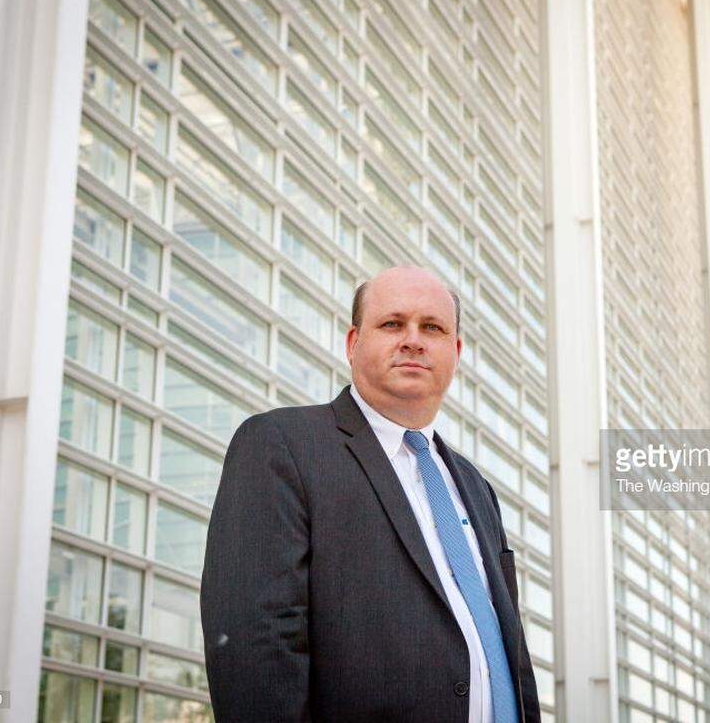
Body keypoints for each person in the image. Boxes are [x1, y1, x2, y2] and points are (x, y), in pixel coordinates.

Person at [201, 265, 541, 722]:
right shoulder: (282, 445)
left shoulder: (476, 488)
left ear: (455, 352)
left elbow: (508, 652)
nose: (414, 340)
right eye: (393, 324)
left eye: (433, 328)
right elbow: (254, 640)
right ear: (352, 343)